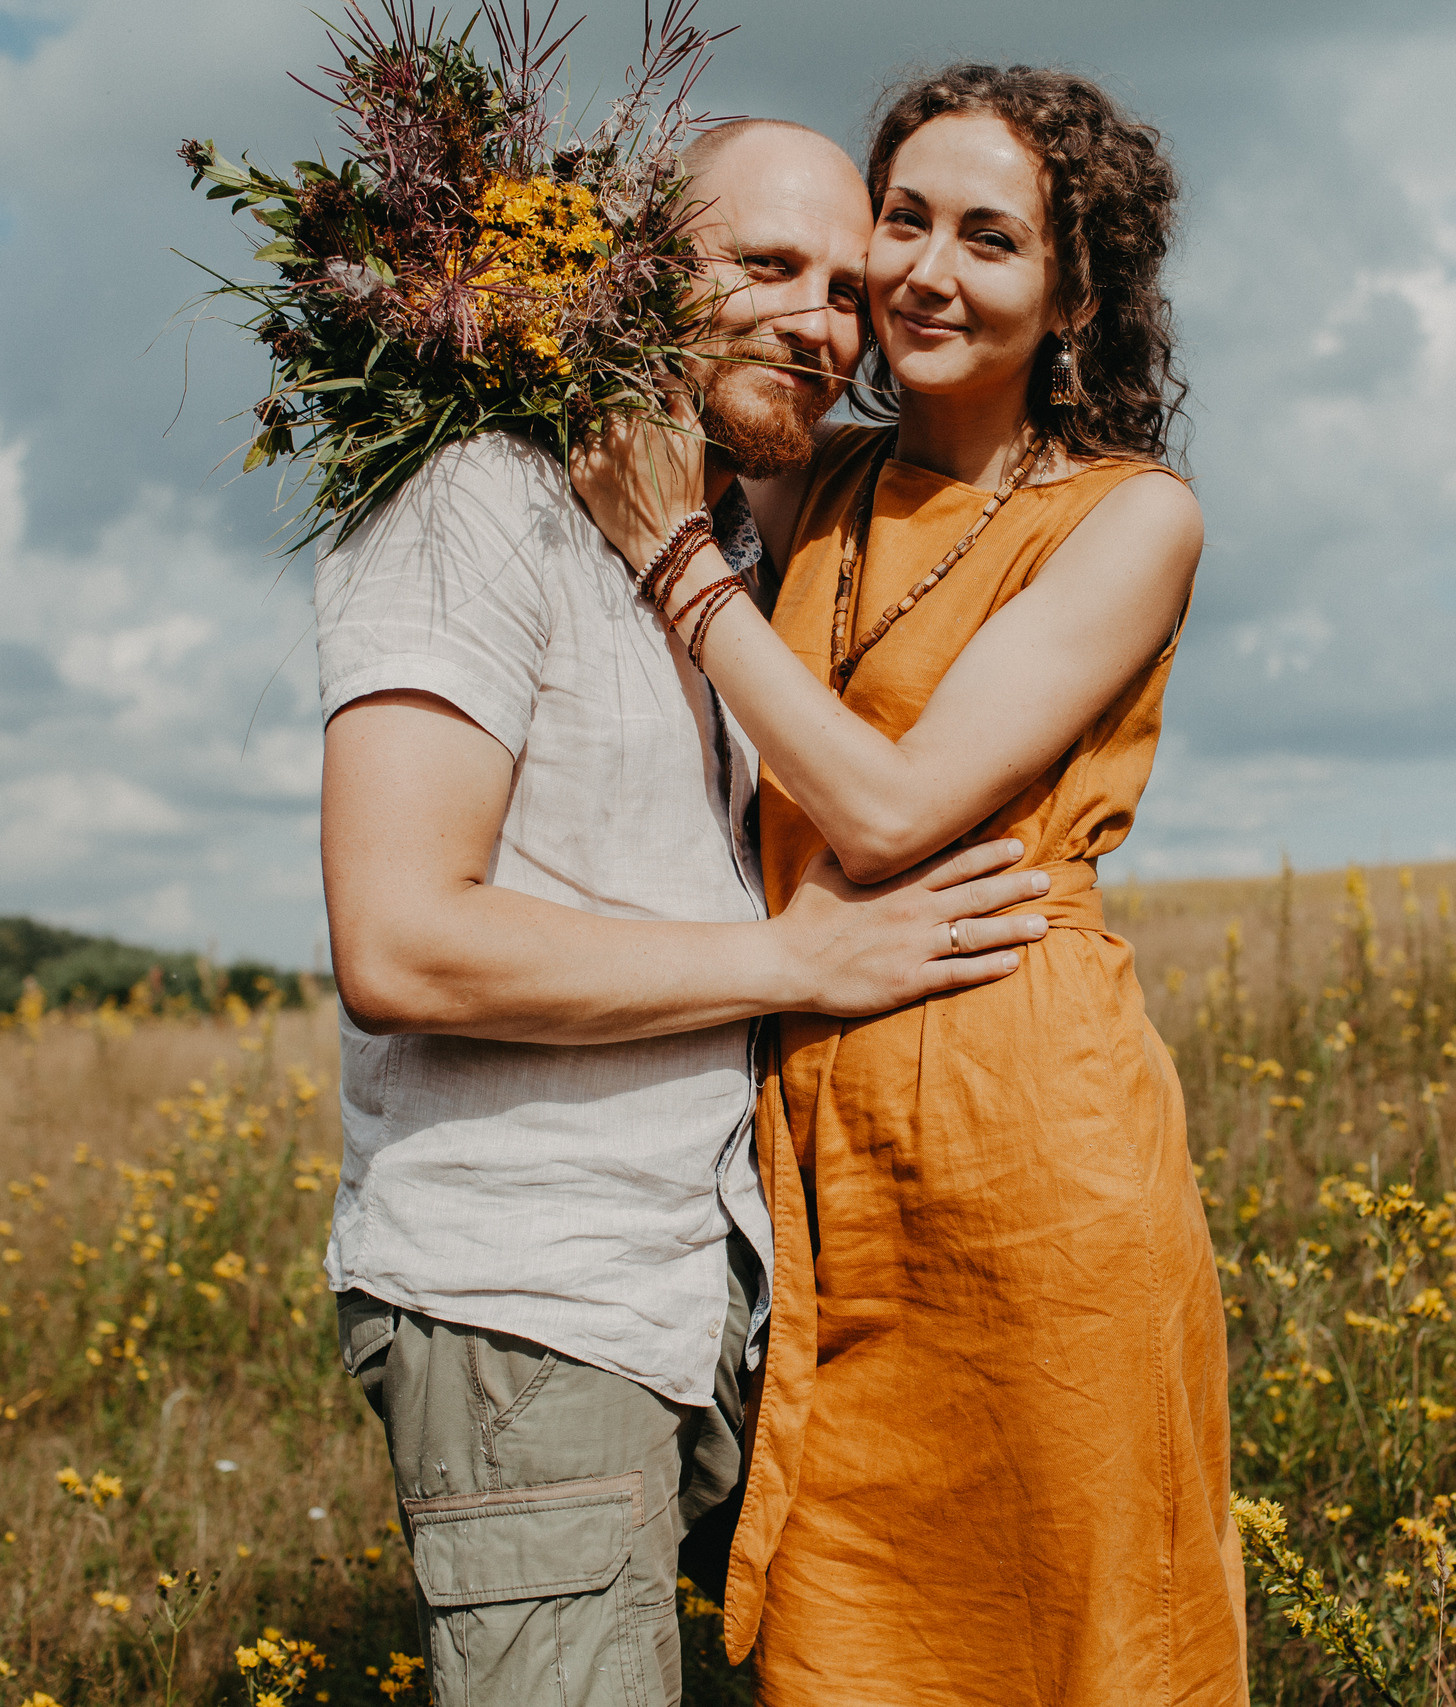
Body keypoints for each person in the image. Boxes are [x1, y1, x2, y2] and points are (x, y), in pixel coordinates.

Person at [316, 119, 1050, 1707]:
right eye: (766, 267)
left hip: (707, 1290)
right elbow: (398, 940)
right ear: (639, 271)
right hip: (532, 1298)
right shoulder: (475, 505)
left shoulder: (723, 548)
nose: (820, 324)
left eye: (846, 292)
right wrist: (791, 965)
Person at [573, 63, 1247, 1707]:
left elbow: (886, 812)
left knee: (1073, 1619)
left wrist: (676, 566)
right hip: (819, 1134)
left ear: (1074, 294)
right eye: (905, 221)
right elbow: (643, 391)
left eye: (991, 239)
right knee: (848, 1638)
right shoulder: (819, 472)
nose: (928, 273)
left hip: (1028, 1132)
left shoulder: (1130, 519)